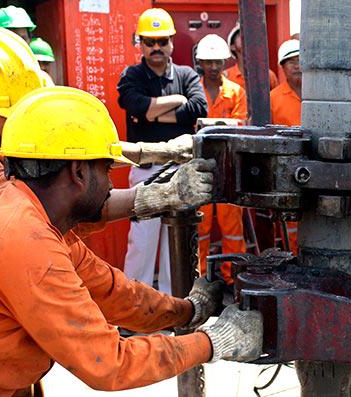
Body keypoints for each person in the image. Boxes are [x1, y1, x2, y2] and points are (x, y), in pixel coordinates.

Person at [0, 85, 263, 395]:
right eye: (107, 168)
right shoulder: (25, 242)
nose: (112, 183)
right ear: (78, 173)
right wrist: (217, 340)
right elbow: (109, 364)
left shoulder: (38, 221)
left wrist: (190, 309)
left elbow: (116, 294)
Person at [0, 27, 198, 230]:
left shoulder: (2, 128)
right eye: (13, 112)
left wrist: (161, 151)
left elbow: (74, 147)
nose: (25, 116)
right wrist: (161, 195)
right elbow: (55, 211)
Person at [117, 8, 208, 294]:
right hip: (147, 172)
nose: (156, 48)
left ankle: (174, 303)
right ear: (140, 43)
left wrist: (153, 112)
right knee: (143, 240)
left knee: (178, 240)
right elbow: (133, 104)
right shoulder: (132, 75)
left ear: (171, 42)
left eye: (161, 41)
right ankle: (135, 306)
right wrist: (175, 103)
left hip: (182, 169)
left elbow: (198, 107)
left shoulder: (187, 74)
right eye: (149, 42)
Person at [195, 34, 248, 284]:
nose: (214, 67)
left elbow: (242, 125)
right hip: (199, 168)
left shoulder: (236, 92)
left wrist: (210, 126)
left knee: (232, 228)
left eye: (218, 62)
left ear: (225, 62)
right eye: (209, 62)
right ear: (201, 63)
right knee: (200, 226)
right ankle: (199, 276)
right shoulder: (193, 90)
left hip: (228, 167)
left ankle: (233, 278)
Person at [269, 39, 302, 254]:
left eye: (301, 60)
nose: (297, 66)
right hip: (285, 173)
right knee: (288, 225)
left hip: (316, 168)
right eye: (291, 62)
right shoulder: (273, 99)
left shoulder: (319, 95)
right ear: (282, 67)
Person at [224, 23, 279, 90]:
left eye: (248, 35)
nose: (245, 38)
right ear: (232, 47)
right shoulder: (226, 76)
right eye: (240, 35)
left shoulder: (268, 75)